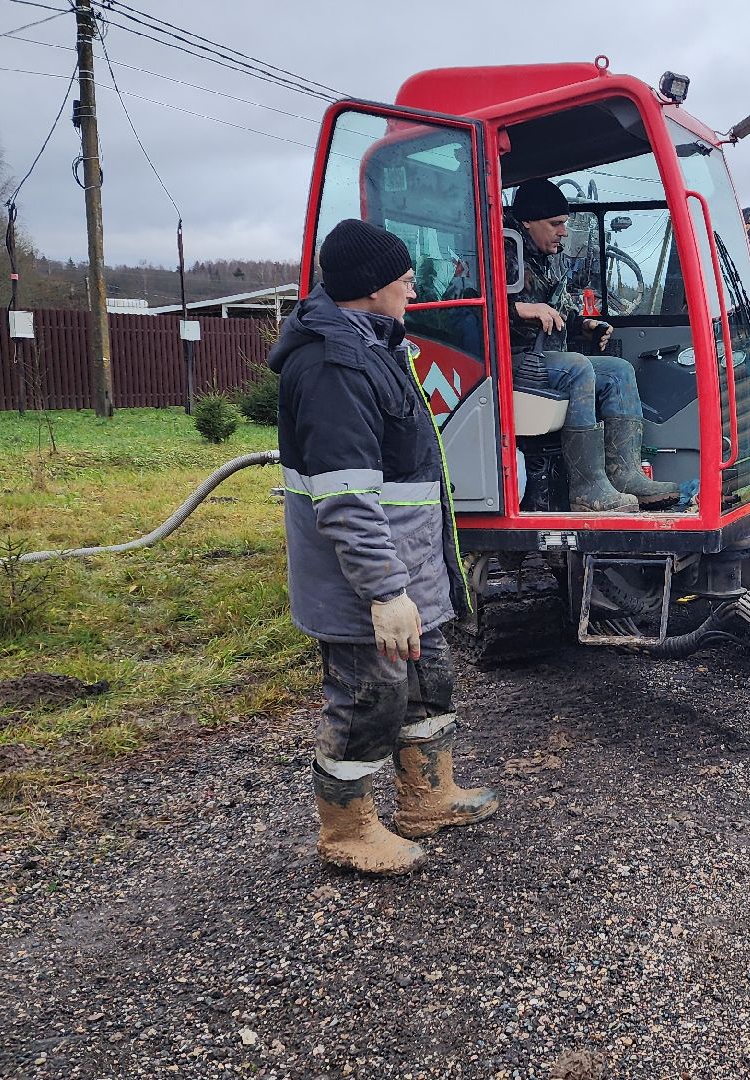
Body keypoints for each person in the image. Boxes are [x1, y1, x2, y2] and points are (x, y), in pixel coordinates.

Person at [268, 217, 500, 876]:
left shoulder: (374, 345)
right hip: (366, 585)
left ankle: (428, 798)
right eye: (403, 280)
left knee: (428, 683)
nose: (411, 291)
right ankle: (346, 830)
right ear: (371, 289)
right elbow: (345, 499)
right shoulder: (334, 365)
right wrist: (383, 591)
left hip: (408, 572)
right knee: (369, 698)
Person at [507, 178, 681, 512]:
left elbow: (559, 307)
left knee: (618, 370)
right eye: (555, 224)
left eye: (565, 224)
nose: (562, 232)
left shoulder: (550, 258)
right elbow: (464, 302)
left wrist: (584, 325)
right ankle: (588, 490)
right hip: (512, 361)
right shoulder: (497, 251)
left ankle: (625, 475)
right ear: (527, 221)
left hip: (545, 357)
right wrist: (517, 308)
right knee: (578, 368)